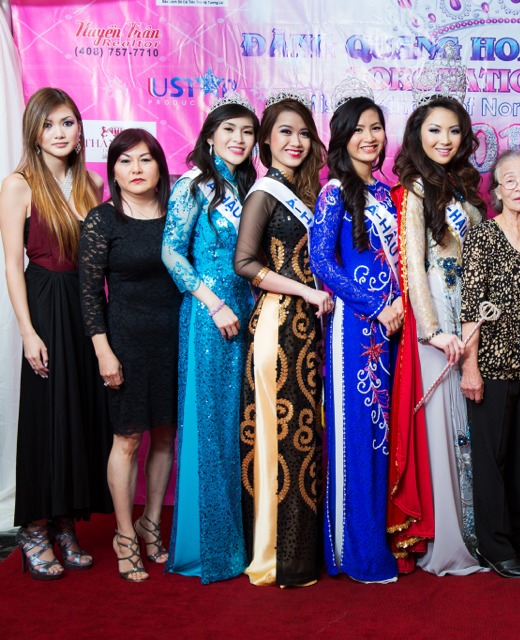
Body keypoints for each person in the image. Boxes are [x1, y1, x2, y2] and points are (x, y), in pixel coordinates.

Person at [0, 87, 112, 580]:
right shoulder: (19, 184)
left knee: (82, 413)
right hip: (45, 303)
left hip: (87, 306)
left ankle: (66, 522)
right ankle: (32, 527)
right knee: (47, 416)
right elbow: (12, 265)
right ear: (35, 132)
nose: (60, 133)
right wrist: (27, 331)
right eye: (49, 125)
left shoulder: (91, 183)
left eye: (67, 122)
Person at [161, 93, 258, 584]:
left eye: (247, 133)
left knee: (240, 427)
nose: (239, 140)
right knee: (212, 428)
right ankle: (211, 550)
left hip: (247, 311)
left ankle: (241, 542)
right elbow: (172, 254)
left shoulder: (247, 186)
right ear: (210, 137)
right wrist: (213, 303)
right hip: (209, 316)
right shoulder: (193, 185)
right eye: (229, 131)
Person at [388, 95, 486, 576]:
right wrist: (433, 331)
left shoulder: (463, 186)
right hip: (436, 320)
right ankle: (448, 536)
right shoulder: (412, 191)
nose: (444, 140)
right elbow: (413, 266)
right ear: (417, 136)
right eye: (434, 131)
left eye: (453, 131)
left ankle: (475, 531)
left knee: (468, 426)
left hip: (471, 311)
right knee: (443, 429)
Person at [235, 93, 329, 588]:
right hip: (278, 325)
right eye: (284, 132)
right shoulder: (263, 193)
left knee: (305, 440)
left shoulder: (312, 191)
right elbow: (246, 265)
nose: (295, 142)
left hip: (310, 328)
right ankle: (279, 556)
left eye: (303, 133)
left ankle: (302, 552)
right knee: (284, 439)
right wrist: (305, 290)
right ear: (266, 140)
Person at [79, 129, 181, 581]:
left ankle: (151, 524)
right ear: (113, 170)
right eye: (125, 161)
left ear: (161, 166)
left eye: (145, 160)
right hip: (125, 343)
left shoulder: (178, 213)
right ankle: (125, 534)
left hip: (174, 340)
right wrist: (104, 351)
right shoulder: (102, 220)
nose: (136, 169)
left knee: (164, 437)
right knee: (128, 440)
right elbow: (89, 296)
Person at [310, 95, 400, 583]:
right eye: (359, 129)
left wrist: (401, 305)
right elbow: (323, 264)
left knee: (383, 439)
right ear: (342, 138)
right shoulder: (333, 194)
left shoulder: (386, 195)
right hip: (354, 330)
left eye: (377, 127)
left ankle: (375, 540)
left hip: (392, 330)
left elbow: (396, 264)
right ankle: (354, 553)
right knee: (356, 439)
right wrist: (375, 306)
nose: (370, 137)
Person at [460, 150, 520, 579]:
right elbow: (471, 307)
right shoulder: (482, 236)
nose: (519, 186)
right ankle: (494, 546)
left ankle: (518, 533)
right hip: (492, 366)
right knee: (491, 458)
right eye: (509, 180)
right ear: (496, 190)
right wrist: (470, 367)